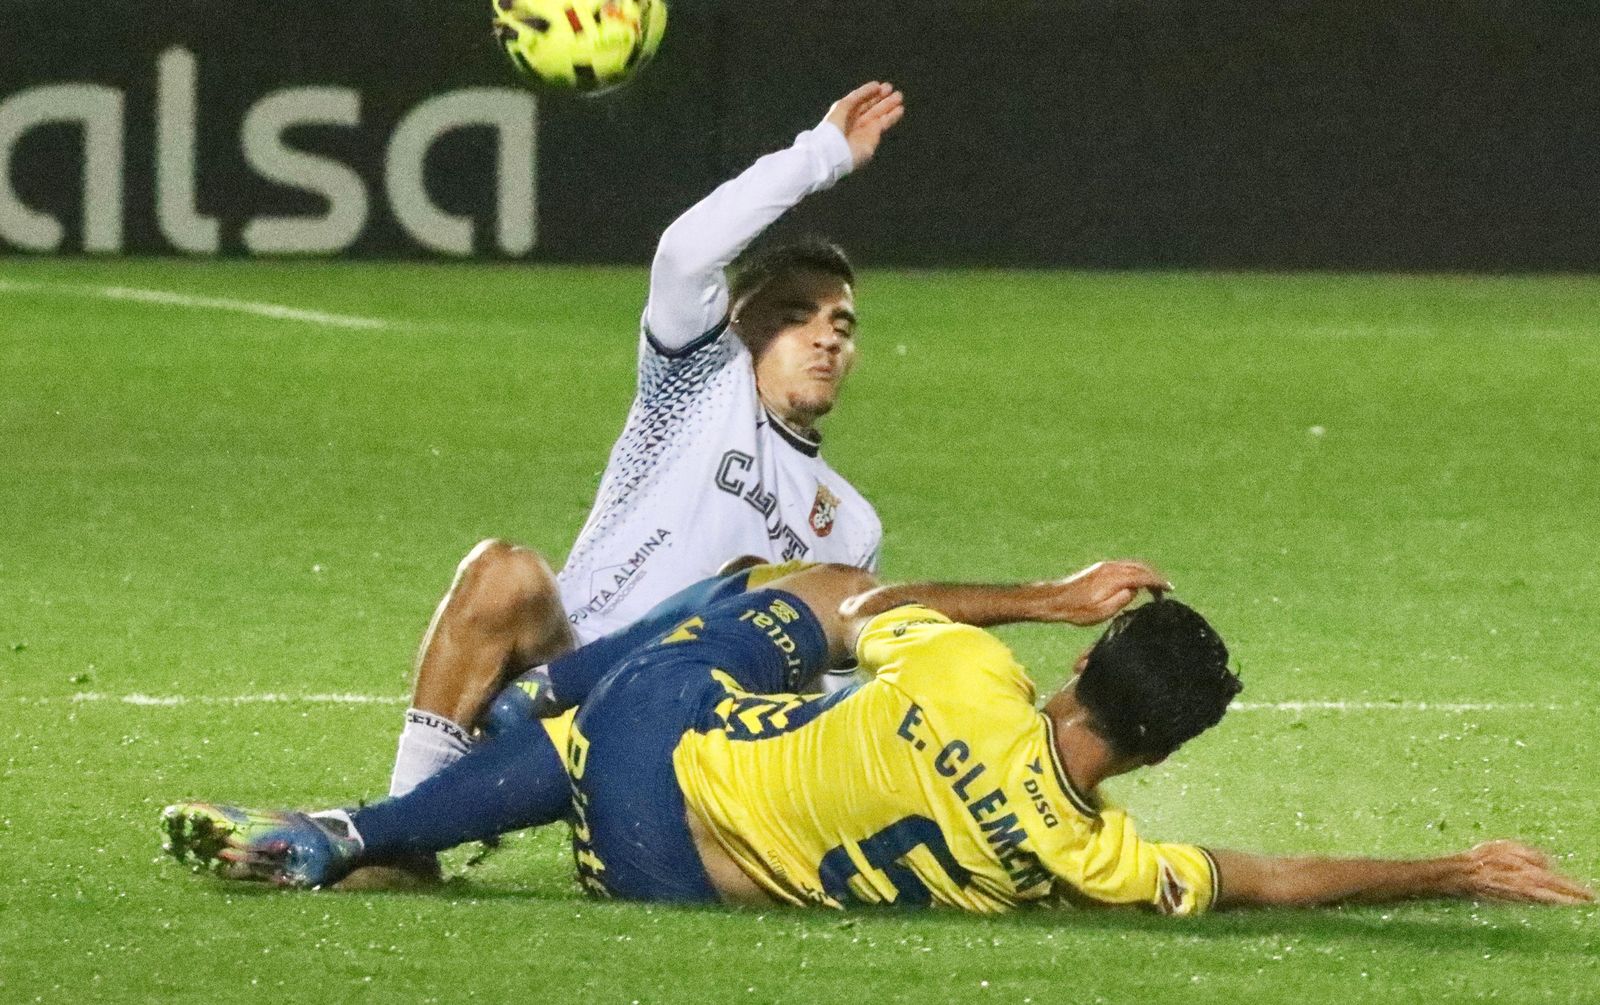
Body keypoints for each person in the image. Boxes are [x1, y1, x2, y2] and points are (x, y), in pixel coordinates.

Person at [163, 556, 1593, 912]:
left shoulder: (970, 674)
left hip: (644, 760)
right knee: (744, 674)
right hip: (667, 884)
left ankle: (374, 820)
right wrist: (1452, 867)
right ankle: (378, 825)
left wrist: (1038, 593)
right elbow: (1263, 879)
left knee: (760, 609)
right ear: (1161, 756)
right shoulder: (1089, 859)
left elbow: (871, 602)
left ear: (1085, 656)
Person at [378, 81, 904, 818]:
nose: (826, 336)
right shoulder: (696, 385)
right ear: (740, 324)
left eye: (842, 326)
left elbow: (826, 675)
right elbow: (686, 253)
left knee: (759, 595)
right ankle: (401, 825)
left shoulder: (853, 524)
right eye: (795, 316)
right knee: (504, 574)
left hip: (692, 732)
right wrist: (820, 154)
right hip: (570, 672)